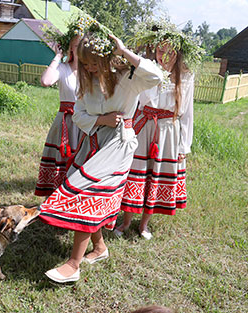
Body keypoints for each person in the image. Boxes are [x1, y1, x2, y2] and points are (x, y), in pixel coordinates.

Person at [38, 23, 163, 283]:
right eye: (84, 64)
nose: (88, 68)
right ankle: (100, 248)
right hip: (92, 140)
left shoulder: (128, 77)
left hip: (118, 144)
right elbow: (80, 113)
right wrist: (102, 120)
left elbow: (156, 76)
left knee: (88, 194)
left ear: (106, 58)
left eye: (93, 63)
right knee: (87, 193)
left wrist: (125, 51)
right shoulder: (88, 82)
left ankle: (73, 264)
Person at [115, 21, 201, 240]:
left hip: (168, 132)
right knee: (136, 174)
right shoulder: (147, 69)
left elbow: (187, 113)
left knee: (156, 177)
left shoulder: (186, 77)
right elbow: (134, 100)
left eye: (170, 52)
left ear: (178, 53)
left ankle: (144, 224)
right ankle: (126, 221)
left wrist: (184, 146)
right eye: (161, 50)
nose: (164, 56)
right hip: (143, 126)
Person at [34, 35, 82, 197]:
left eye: (83, 45)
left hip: (86, 123)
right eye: (76, 45)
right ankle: (54, 200)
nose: (80, 49)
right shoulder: (63, 68)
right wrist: (58, 56)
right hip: (66, 122)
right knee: (60, 159)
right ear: (70, 48)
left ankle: (74, 200)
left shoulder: (92, 71)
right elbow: (46, 81)